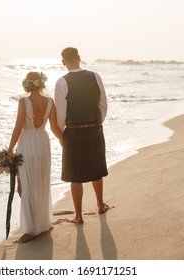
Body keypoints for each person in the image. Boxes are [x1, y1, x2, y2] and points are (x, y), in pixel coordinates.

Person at [54, 47, 109, 224]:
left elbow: (60, 115)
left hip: (74, 131)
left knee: (74, 175)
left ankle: (78, 216)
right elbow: (103, 103)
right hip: (94, 128)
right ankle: (100, 205)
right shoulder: (95, 76)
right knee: (96, 170)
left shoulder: (62, 82)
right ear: (79, 58)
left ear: (63, 62)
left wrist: (63, 135)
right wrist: (97, 122)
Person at [8, 71, 63, 243]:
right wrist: (63, 141)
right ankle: (43, 223)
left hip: (28, 143)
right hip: (42, 141)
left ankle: (32, 229)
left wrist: (9, 149)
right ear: (41, 84)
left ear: (27, 84)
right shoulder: (50, 102)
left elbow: (18, 128)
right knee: (41, 181)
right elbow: (54, 127)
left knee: (26, 184)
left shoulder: (24, 102)